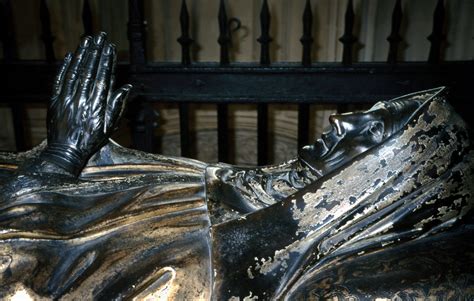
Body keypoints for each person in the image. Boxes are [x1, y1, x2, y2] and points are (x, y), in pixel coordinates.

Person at [0, 33, 472, 300]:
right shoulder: (233, 189)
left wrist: (56, 164)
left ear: (388, 175)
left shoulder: (206, 271)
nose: (343, 120)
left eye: (373, 127)